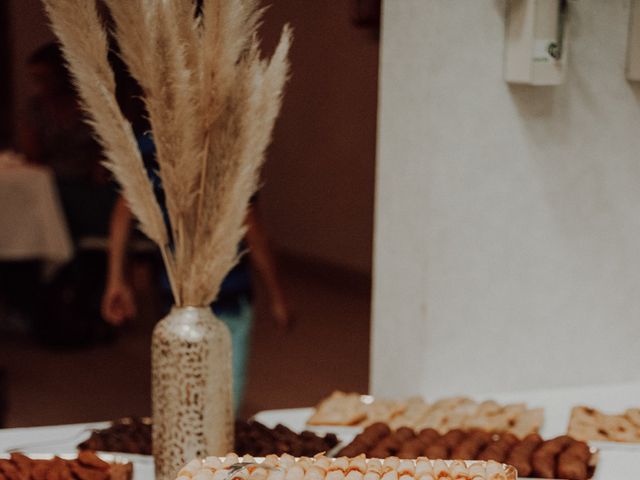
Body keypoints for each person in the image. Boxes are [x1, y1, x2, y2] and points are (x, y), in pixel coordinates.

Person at [102, 195, 291, 412]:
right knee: (224, 392)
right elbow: (254, 233)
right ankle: (213, 436)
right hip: (221, 297)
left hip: (183, 297)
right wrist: (277, 295)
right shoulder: (231, 162)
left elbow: (123, 206)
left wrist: (116, 279)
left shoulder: (157, 164)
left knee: (186, 390)